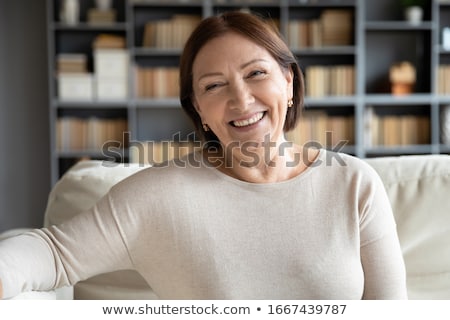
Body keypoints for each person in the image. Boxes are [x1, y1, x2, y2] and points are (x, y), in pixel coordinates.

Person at [0, 11, 407, 300]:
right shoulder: (158, 196)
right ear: (199, 111)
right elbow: (53, 253)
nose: (241, 99)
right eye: (214, 86)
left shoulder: (355, 183)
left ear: (289, 82)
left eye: (256, 73)